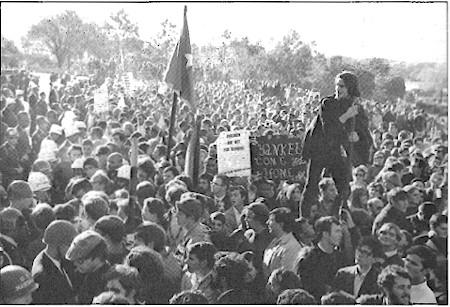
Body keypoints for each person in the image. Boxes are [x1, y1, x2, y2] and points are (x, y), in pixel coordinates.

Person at [301, 71, 371, 218]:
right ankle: (305, 218)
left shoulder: (355, 105)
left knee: (343, 186)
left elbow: (364, 130)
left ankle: (339, 215)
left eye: (342, 86)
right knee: (311, 186)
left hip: (336, 150)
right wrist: (347, 116)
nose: (338, 89)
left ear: (350, 88)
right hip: (319, 147)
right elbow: (329, 130)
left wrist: (357, 137)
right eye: (337, 85)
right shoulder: (328, 103)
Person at [296, 216, 347, 301]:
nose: (340, 235)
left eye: (340, 231)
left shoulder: (340, 258)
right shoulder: (309, 259)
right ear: (325, 234)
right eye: (337, 231)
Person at [31, 220, 78, 304]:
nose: (72, 250)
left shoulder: (62, 260)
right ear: (58, 245)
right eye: (69, 245)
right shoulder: (42, 275)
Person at [65, 230, 111, 304]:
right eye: (74, 261)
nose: (76, 264)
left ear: (98, 256)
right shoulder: (79, 275)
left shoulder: (109, 281)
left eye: (80, 261)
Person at [263, 207, 302, 276]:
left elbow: (287, 277)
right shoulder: (273, 243)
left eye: (271, 220)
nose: (267, 222)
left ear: (281, 224)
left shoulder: (291, 247)